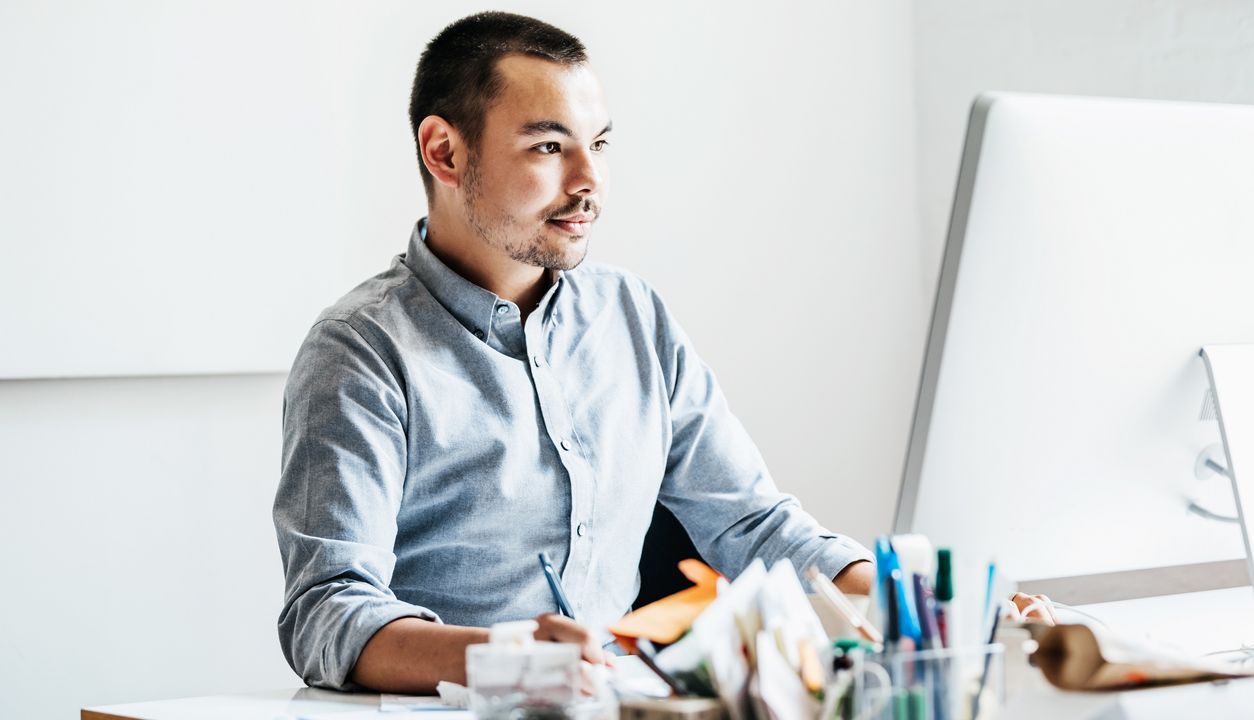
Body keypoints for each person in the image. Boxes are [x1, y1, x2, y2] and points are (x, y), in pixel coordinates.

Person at [273, 11, 876, 694]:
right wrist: (502, 659)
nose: (589, 180)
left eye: (600, 143)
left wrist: (904, 599)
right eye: (549, 147)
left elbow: (752, 525)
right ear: (444, 152)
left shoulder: (633, 317)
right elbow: (327, 611)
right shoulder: (360, 350)